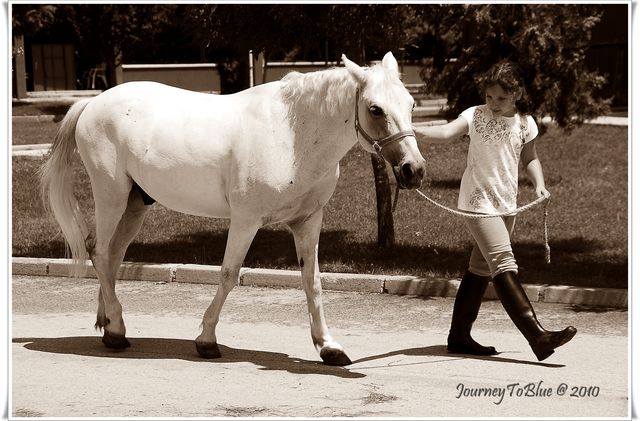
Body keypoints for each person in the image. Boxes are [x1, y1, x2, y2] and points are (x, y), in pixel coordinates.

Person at [416, 61, 576, 361]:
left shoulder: (526, 123)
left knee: (480, 268)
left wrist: (539, 184)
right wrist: (414, 131)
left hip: (506, 203)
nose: (494, 103)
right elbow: (448, 132)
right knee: (504, 262)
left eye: (501, 98)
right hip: (478, 202)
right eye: (490, 97)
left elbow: (530, 158)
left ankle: (459, 336)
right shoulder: (475, 115)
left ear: (516, 94)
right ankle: (537, 336)